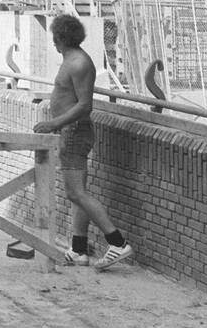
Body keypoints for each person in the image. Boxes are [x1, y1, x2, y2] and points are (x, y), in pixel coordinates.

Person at [33, 13, 133, 270]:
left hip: (74, 132)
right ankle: (78, 249)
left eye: (55, 37)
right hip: (71, 131)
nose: (53, 43)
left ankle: (117, 242)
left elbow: (84, 106)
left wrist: (54, 124)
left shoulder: (78, 63)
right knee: (78, 194)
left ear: (61, 38)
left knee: (75, 192)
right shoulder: (71, 59)